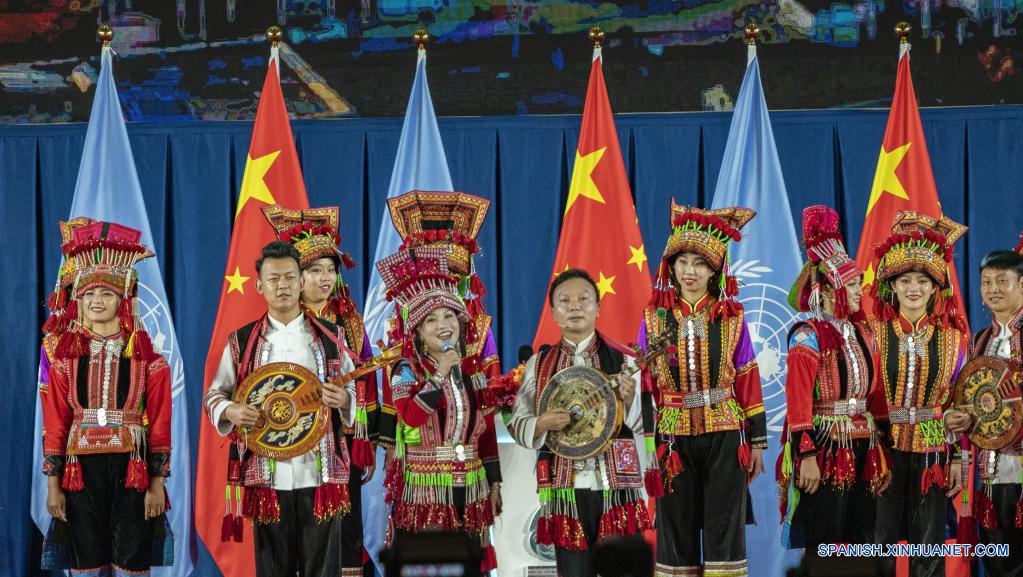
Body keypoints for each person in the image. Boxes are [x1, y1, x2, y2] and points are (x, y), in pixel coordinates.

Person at [204, 240, 358, 577]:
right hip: (267, 476)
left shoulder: (331, 337)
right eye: (273, 279)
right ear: (259, 285)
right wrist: (231, 412)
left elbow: (351, 391)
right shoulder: (242, 341)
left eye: (289, 277)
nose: (282, 285)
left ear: (301, 282)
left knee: (324, 570)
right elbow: (214, 395)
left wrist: (344, 400)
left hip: (319, 473)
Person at [41, 220, 174, 576]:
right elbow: (56, 423)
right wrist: (53, 485)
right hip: (79, 474)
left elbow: (160, 425)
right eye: (89, 295)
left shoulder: (150, 363)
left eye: (106, 294)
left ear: (123, 300)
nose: (97, 301)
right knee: (86, 562)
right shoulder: (65, 362)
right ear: (78, 301)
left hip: (133, 471)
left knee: (131, 561)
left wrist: (157, 483)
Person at [643, 203, 766, 577]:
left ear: (715, 270)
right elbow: (646, 385)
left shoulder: (732, 316)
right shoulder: (654, 318)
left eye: (699, 263)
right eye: (682, 262)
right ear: (671, 266)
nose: (690, 271)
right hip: (672, 436)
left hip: (725, 434)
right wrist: (647, 444)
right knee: (675, 529)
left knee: (723, 528)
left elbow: (747, 377)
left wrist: (758, 442)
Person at [510, 268, 652, 577]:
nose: (574, 306)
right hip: (566, 490)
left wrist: (630, 402)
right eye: (565, 301)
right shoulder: (539, 364)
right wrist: (542, 423)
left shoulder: (626, 359)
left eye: (583, 299)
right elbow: (518, 423)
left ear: (598, 308)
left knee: (624, 571)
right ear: (553, 311)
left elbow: (647, 424)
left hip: (617, 488)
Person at [263, 204, 379, 577]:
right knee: (291, 538)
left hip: (339, 442)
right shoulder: (277, 325)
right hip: (288, 444)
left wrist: (362, 433)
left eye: (330, 269)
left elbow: (367, 379)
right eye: (315, 270)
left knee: (344, 530)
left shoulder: (350, 323)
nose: (325, 277)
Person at [376, 245, 502, 572]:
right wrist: (440, 375)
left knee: (470, 564)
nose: (443, 324)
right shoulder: (405, 370)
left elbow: (486, 433)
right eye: (431, 319)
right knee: (428, 565)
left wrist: (495, 481)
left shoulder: (473, 372)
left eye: (449, 315)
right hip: (425, 487)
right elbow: (411, 417)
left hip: (472, 485)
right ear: (418, 332)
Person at [778, 205, 888, 554]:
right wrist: (806, 455)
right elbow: (798, 402)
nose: (859, 291)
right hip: (826, 448)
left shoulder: (863, 331)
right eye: (851, 285)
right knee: (824, 539)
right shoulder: (807, 335)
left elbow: (877, 395)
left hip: (865, 446)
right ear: (827, 290)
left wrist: (884, 446)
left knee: (863, 539)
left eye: (858, 284)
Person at [870, 211, 968, 577]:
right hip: (884, 450)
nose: (914, 288)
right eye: (905, 280)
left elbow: (959, 403)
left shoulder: (955, 339)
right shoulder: (873, 334)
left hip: (933, 451)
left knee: (929, 547)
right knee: (879, 544)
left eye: (923, 281)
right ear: (892, 286)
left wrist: (957, 459)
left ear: (935, 287)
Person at [945, 238, 1023, 577]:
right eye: (986, 282)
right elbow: (964, 400)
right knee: (997, 560)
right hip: (991, 473)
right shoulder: (978, 341)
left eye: (1002, 280)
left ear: (1022, 284)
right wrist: (955, 419)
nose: (993, 289)